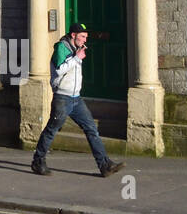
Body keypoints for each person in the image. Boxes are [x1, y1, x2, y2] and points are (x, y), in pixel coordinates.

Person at [31, 22, 124, 177]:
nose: (84, 40)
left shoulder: (76, 49)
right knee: (51, 130)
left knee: (91, 129)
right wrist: (77, 58)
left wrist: (77, 56)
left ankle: (105, 165)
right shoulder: (62, 47)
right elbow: (60, 70)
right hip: (62, 98)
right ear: (73, 35)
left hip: (76, 99)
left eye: (86, 37)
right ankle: (38, 161)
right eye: (82, 36)